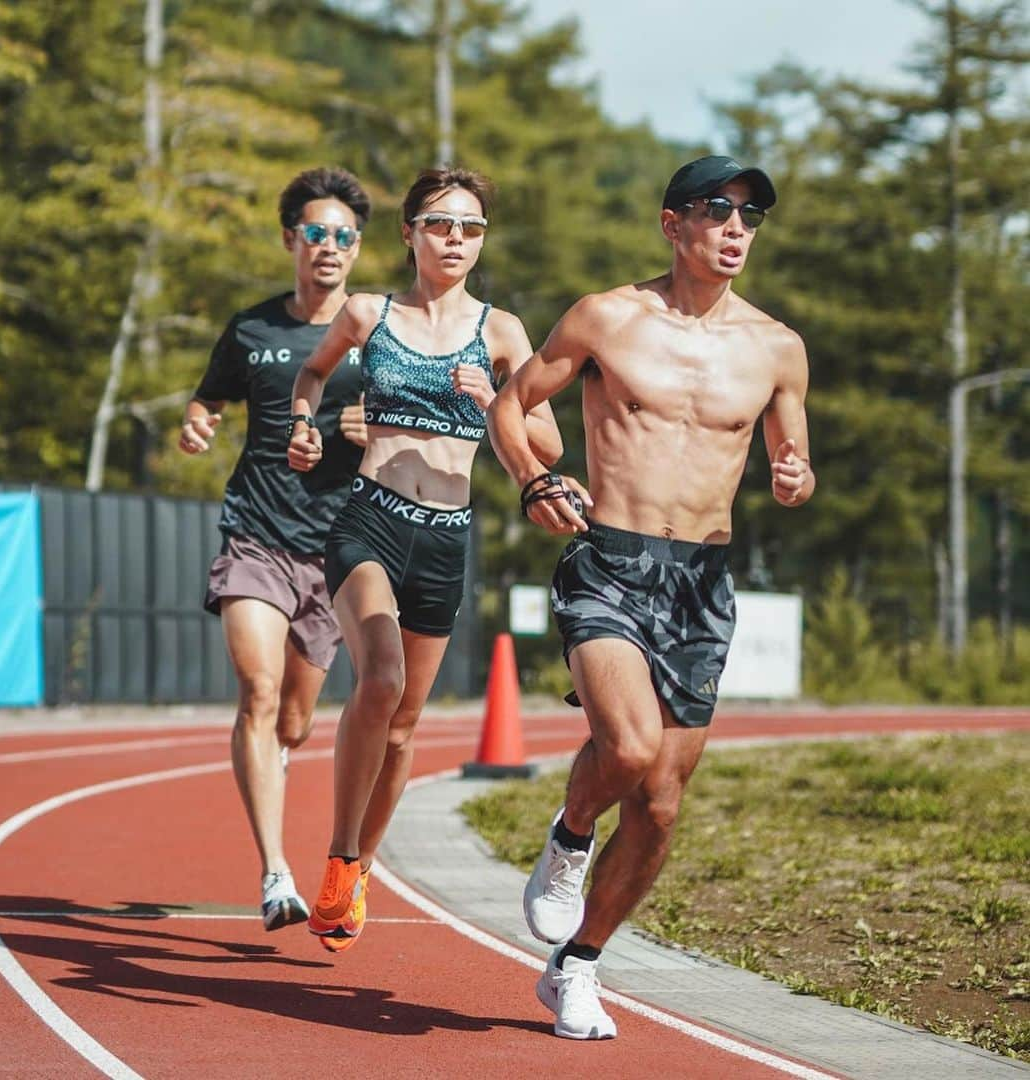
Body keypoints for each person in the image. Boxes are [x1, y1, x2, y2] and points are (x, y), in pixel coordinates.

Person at [486, 155, 815, 1040]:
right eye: (718, 210)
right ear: (674, 225)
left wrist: (793, 478)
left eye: (750, 214)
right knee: (625, 749)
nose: (737, 228)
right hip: (611, 557)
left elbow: (793, 462)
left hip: (702, 579)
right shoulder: (608, 317)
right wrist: (532, 481)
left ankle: (580, 964)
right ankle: (568, 834)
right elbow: (511, 407)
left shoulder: (778, 347)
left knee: (663, 805)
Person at [287, 167, 563, 953]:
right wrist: (305, 422)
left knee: (404, 730)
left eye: (471, 228)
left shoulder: (503, 332)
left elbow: (549, 444)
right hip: (368, 521)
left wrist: (492, 403)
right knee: (381, 679)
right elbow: (312, 372)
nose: (456, 240)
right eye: (441, 224)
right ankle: (340, 857)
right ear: (409, 232)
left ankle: (363, 868)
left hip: (445, 535)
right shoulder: (369, 312)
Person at [178, 167, 371, 934]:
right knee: (257, 694)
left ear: (358, 249)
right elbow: (208, 396)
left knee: (294, 720)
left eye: (344, 236)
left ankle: (281, 752)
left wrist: (374, 433)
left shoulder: (375, 331)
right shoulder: (252, 330)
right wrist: (198, 421)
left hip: (335, 547)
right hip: (255, 533)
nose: (329, 248)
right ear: (291, 239)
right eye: (316, 233)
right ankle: (275, 873)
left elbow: (424, 430)